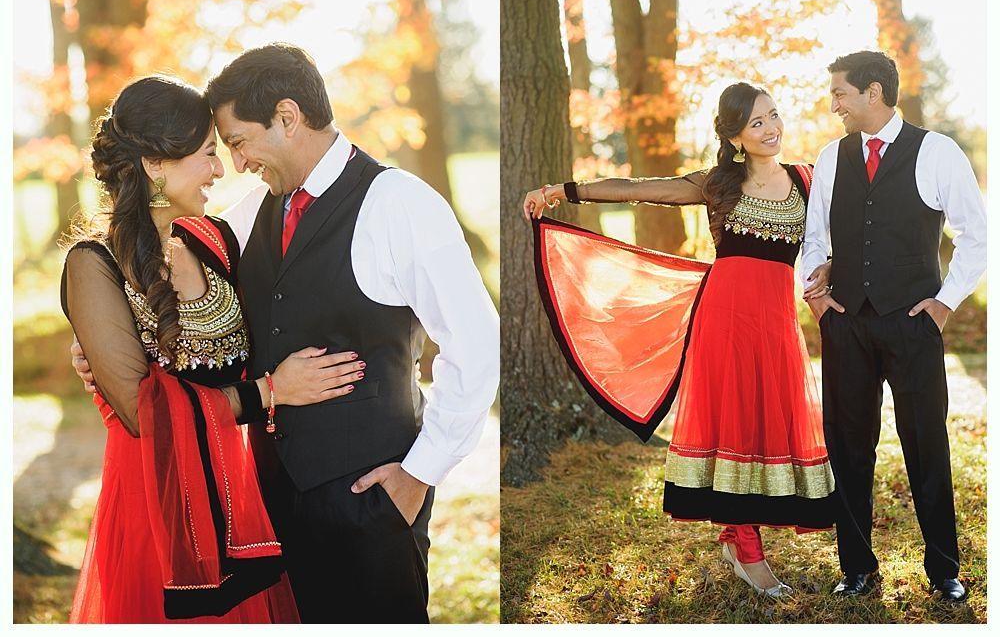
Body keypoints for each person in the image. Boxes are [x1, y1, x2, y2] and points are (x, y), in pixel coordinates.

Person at [74, 45, 499, 623]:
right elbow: (178, 306)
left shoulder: (400, 203)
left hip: (372, 501)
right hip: (271, 510)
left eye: (240, 142)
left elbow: (477, 345)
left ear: (288, 117)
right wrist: (103, 346)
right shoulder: (248, 218)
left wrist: (418, 474)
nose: (237, 164)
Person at [61, 76, 364, 623]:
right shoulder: (92, 264)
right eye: (207, 155)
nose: (222, 169)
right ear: (155, 164)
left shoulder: (217, 238)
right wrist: (271, 393)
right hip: (155, 507)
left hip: (238, 494)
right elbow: (141, 414)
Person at [524, 82, 836, 598]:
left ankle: (739, 539)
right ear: (735, 135)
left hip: (778, 321)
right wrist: (565, 190)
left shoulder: (807, 179)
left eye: (774, 116)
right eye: (756, 123)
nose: (770, 129)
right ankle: (747, 549)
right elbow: (640, 188)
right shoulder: (718, 183)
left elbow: (834, 235)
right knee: (734, 422)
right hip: (726, 320)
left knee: (764, 421)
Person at [800, 51, 986, 602]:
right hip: (847, 325)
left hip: (913, 325)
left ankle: (944, 569)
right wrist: (815, 295)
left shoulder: (938, 152)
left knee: (926, 444)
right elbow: (815, 235)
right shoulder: (831, 158)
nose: (834, 105)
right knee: (849, 446)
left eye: (841, 94)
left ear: (873, 91)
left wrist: (945, 303)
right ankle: (857, 567)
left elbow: (975, 238)